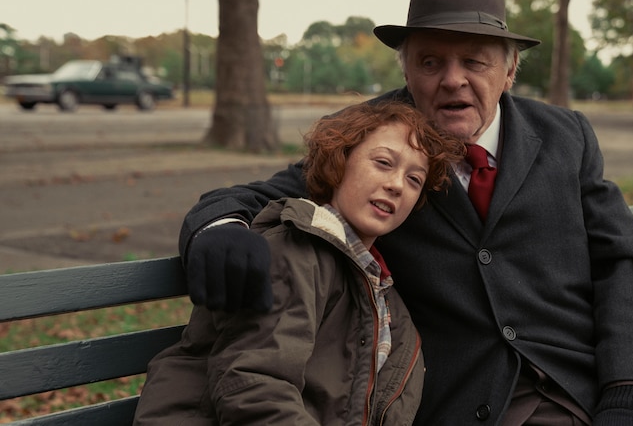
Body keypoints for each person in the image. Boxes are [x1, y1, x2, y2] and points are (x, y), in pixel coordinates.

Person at [177, 0, 633, 426]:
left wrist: (631, 391)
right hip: (466, 402)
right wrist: (221, 228)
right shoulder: (367, 139)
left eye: (475, 61)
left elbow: (622, 264)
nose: (453, 81)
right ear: (406, 68)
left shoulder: (567, 136)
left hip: (589, 392)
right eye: (430, 62)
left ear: (510, 69)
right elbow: (254, 196)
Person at [133, 102, 464, 425]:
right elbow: (254, 388)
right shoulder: (295, 250)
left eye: (414, 180)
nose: (396, 185)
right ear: (340, 162)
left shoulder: (384, 297)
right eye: (382, 162)